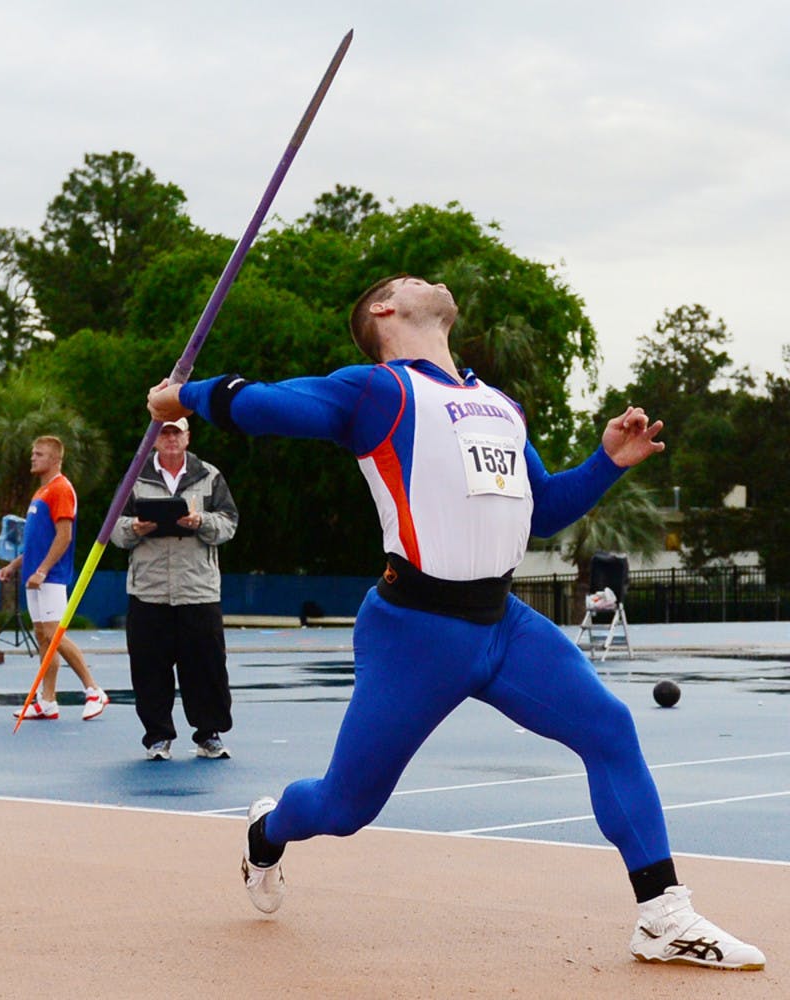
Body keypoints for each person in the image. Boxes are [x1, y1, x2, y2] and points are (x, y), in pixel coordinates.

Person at [147, 274, 765, 971]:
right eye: (410, 281)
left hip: (504, 624)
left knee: (610, 729)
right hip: (417, 631)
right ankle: (269, 830)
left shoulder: (497, 406)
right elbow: (260, 407)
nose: (431, 280)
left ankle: (662, 915)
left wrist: (604, 463)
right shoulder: (380, 390)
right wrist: (182, 398)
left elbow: (542, 510)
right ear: (385, 310)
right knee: (345, 809)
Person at [110, 417, 238, 761]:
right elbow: (113, 528)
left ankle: (209, 734)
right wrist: (135, 528)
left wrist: (201, 522)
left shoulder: (209, 476)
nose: (169, 438)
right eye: (163, 432)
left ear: (187, 437)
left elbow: (229, 523)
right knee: (150, 667)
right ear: (153, 439)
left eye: (175, 432)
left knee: (206, 666)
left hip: (198, 589)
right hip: (148, 590)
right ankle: (157, 737)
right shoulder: (135, 477)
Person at [0, 436, 108, 721]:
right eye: (33, 453)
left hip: (51, 577)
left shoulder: (60, 489)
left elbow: (64, 535)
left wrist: (43, 570)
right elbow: (37, 541)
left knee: (54, 634)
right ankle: (47, 701)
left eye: (39, 454)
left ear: (55, 460)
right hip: (35, 577)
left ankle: (94, 690)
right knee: (43, 638)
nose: (33, 458)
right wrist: (15, 565)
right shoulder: (40, 492)